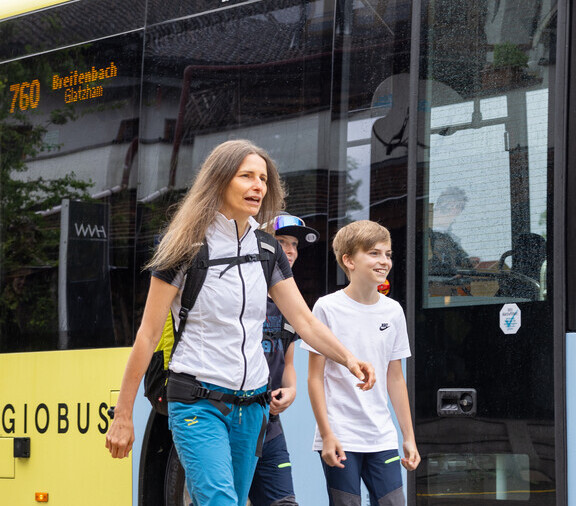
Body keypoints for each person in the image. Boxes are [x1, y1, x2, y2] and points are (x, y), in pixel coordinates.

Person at [105, 140, 375, 506]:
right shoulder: (183, 247)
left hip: (252, 409)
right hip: (197, 402)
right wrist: (123, 415)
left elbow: (305, 322)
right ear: (219, 182)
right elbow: (148, 334)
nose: (258, 186)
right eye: (246, 176)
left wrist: (348, 358)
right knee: (220, 501)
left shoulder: (268, 250)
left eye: (263, 178)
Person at [303, 220, 420, 506]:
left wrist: (408, 436)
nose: (384, 261)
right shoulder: (327, 307)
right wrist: (326, 435)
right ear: (349, 260)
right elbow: (315, 378)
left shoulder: (393, 311)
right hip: (340, 435)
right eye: (374, 253)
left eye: (388, 254)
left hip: (381, 435)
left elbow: (395, 378)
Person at [248, 212, 320, 506]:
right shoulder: (241, 294)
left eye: (294, 245)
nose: (289, 251)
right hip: (230, 417)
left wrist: (291, 391)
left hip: (270, 423)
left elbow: (288, 364)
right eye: (281, 242)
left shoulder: (292, 305)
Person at [427, 186, 478, 276]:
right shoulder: (425, 233)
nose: (457, 211)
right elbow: (429, 266)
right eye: (457, 207)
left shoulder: (449, 238)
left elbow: (461, 259)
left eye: (460, 208)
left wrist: (469, 262)